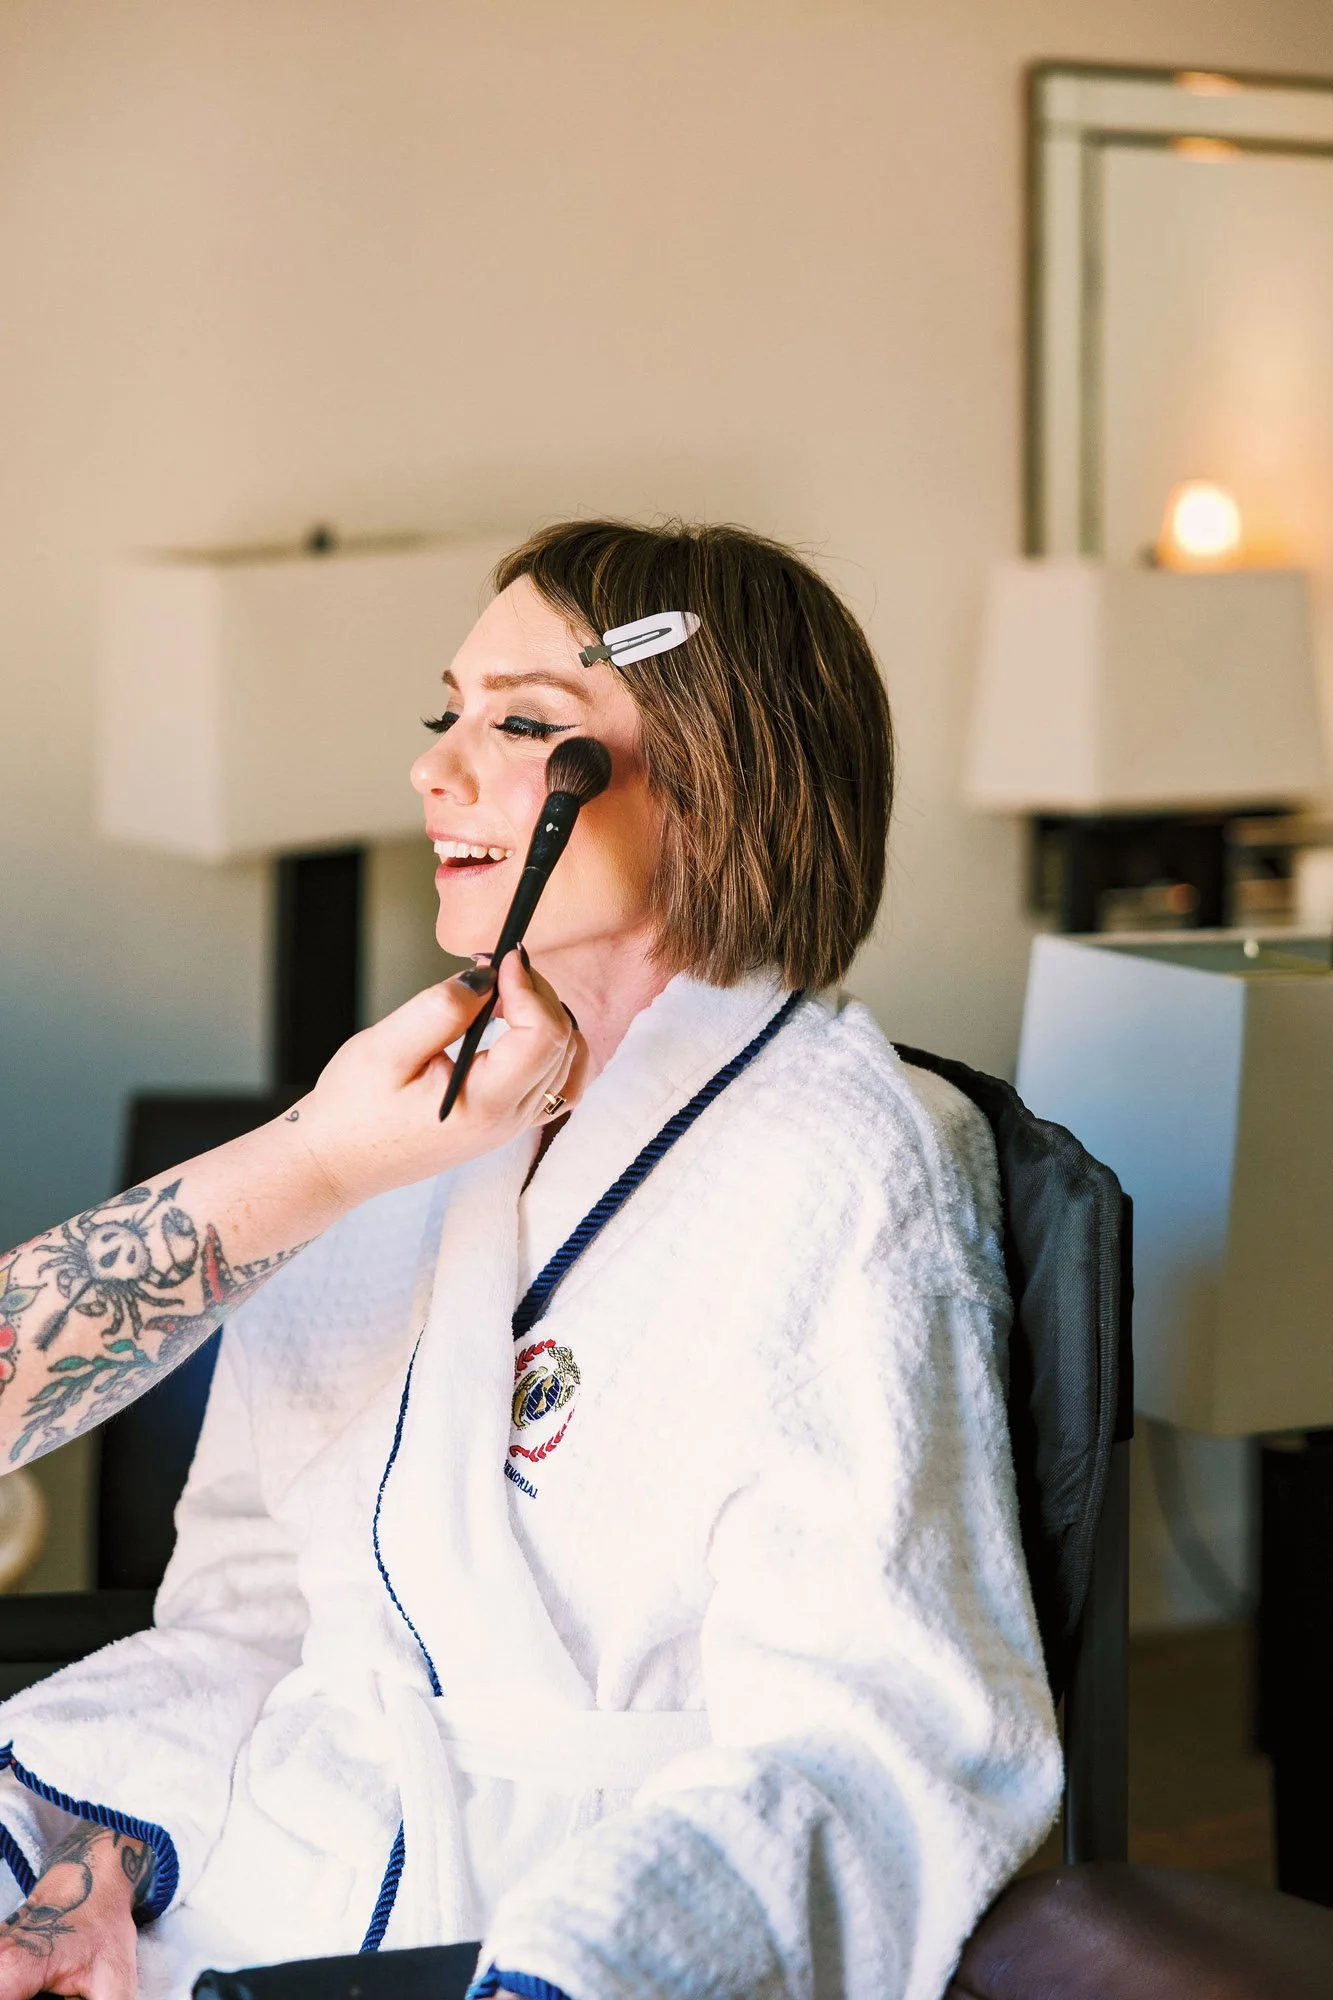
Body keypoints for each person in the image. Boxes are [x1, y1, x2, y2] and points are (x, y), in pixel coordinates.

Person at [0, 521, 1061, 2000]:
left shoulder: (848, 1165)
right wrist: (92, 1862)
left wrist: (576, 1968)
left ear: (717, 779)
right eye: (449, 714)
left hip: (545, 1940)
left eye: (522, 724)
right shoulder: (398, 1139)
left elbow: (874, 1739)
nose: (436, 770)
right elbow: (254, 1600)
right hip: (246, 1878)